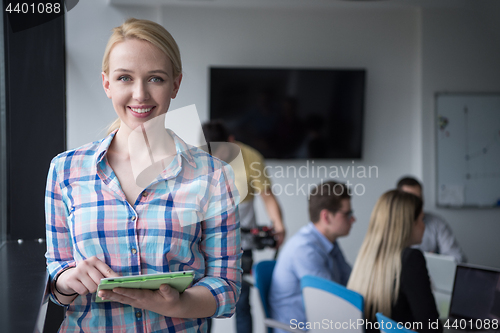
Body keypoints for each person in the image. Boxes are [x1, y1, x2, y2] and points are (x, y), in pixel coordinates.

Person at [45, 18, 241, 332]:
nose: (140, 94)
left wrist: (180, 304)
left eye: (155, 79)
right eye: (124, 78)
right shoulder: (65, 171)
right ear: (107, 83)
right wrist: (68, 280)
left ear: (175, 84)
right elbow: (58, 284)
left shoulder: (214, 175)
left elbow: (227, 289)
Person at [202, 120, 286, 333]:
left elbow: (267, 198)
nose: (216, 160)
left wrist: (279, 226)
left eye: (221, 153)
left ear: (231, 142)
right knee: (202, 301)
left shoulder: (251, 158)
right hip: (204, 243)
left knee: (241, 301)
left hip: (241, 242)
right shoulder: (198, 157)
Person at [347, 190, 442, 333]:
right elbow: (432, 327)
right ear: (408, 224)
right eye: (421, 220)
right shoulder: (410, 259)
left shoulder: (367, 255)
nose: (424, 226)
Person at [269, 181, 355, 333]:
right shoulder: (305, 250)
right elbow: (332, 303)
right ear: (326, 217)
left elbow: (351, 282)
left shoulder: (329, 242)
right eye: (347, 214)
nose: (353, 219)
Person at [396, 176, 466, 263]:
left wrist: (436, 260)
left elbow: (458, 257)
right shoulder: (391, 227)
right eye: (411, 199)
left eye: (419, 198)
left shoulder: (436, 222)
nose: (417, 203)